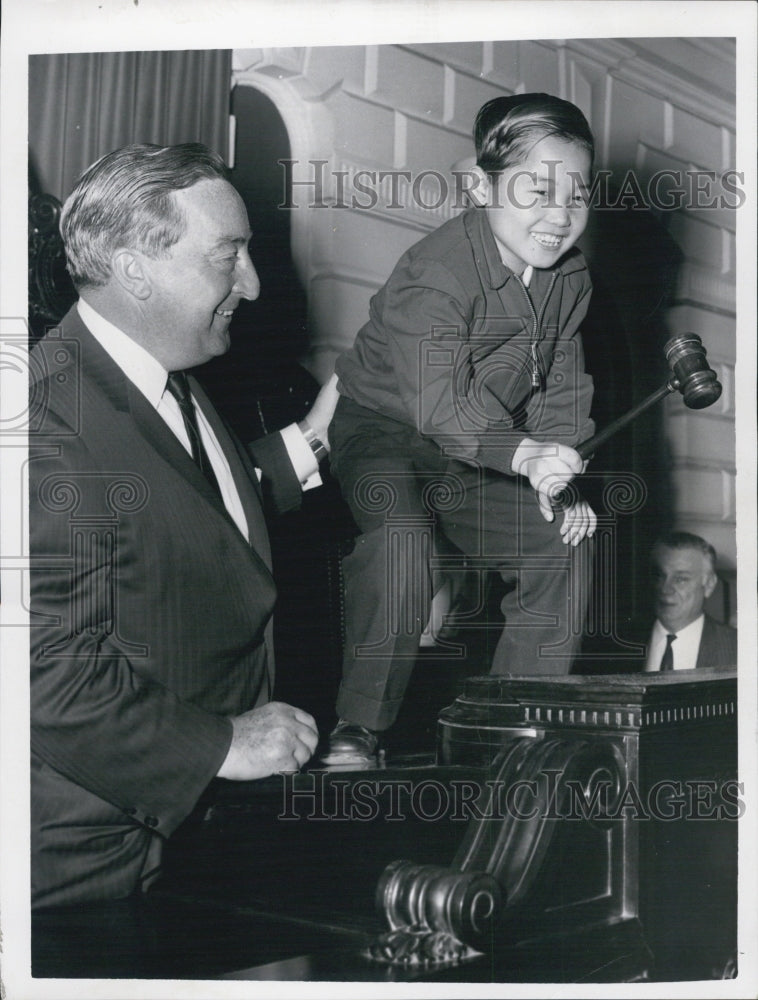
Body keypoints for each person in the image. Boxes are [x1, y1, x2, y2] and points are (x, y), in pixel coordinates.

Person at [29, 143, 340, 912]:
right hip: (87, 866)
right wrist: (226, 744)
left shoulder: (166, 377)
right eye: (228, 256)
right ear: (136, 267)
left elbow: (181, 518)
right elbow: (45, 679)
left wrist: (314, 441)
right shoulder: (43, 424)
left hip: (184, 839)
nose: (255, 285)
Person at [325, 93, 598, 763]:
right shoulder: (436, 272)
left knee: (565, 538)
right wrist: (526, 454)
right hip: (386, 433)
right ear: (479, 184)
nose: (559, 214)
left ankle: (516, 719)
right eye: (537, 188)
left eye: (578, 193)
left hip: (486, 449)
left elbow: (562, 376)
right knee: (402, 539)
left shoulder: (571, 277)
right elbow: (440, 404)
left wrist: (558, 467)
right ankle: (359, 726)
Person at [643, 532, 737, 671]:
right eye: (659, 576)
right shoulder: (619, 645)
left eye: (680, 579)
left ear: (709, 585)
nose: (665, 589)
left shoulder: (739, 649)